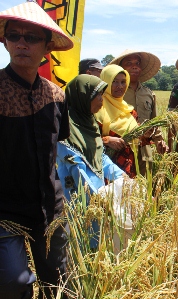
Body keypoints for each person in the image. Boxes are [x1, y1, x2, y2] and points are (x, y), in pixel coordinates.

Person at [0, 2, 73, 298]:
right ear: (5, 42)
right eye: (13, 35)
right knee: (15, 282)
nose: (21, 43)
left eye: (30, 38)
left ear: (46, 47)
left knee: (58, 282)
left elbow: (59, 144)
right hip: (4, 209)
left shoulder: (56, 95)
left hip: (48, 206)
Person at [56, 75, 124, 249]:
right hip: (77, 196)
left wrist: (124, 179)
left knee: (100, 241)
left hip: (98, 197)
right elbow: (77, 170)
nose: (102, 100)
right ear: (82, 96)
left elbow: (101, 157)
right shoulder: (66, 128)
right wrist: (101, 198)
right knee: (81, 242)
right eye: (97, 95)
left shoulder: (89, 122)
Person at [95, 64, 155, 178]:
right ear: (105, 82)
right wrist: (107, 140)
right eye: (114, 81)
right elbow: (85, 139)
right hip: (105, 170)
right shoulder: (96, 108)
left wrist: (145, 135)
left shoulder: (130, 111)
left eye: (123, 82)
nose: (120, 86)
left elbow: (136, 140)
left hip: (128, 168)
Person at [109, 50, 168, 161]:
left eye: (137, 64)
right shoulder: (114, 92)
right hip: (121, 150)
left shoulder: (149, 94)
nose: (134, 67)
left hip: (145, 152)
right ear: (121, 68)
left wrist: (159, 141)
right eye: (129, 63)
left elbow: (154, 121)